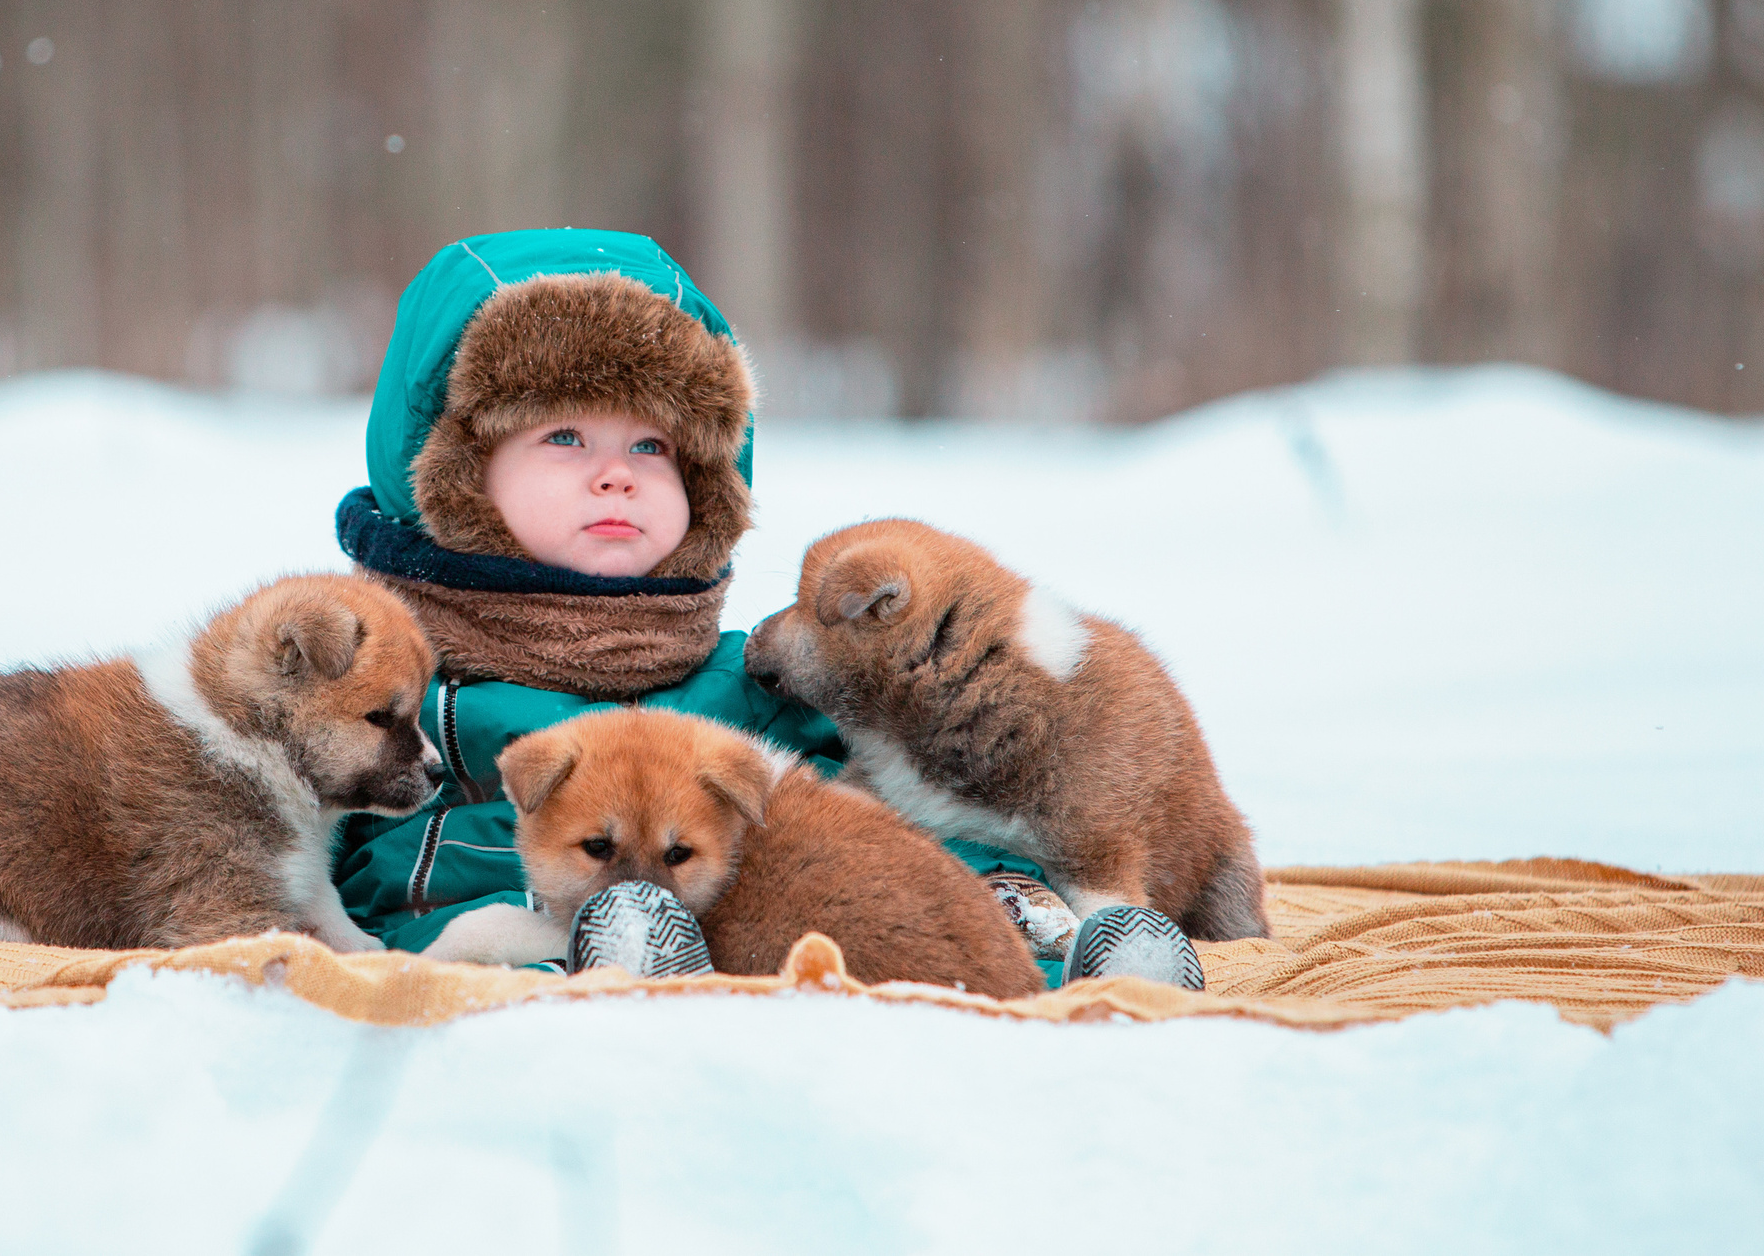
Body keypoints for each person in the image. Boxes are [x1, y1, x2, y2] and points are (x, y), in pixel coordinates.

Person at [331, 228, 1189, 987]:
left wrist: (997, 869)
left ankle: (1066, 945)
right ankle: (601, 956)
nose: (616, 471)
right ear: (451, 477)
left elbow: (889, 820)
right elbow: (320, 845)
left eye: (650, 445)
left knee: (906, 863)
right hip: (498, 947)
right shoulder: (415, 694)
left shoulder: (742, 685)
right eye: (563, 437)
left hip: (781, 927)